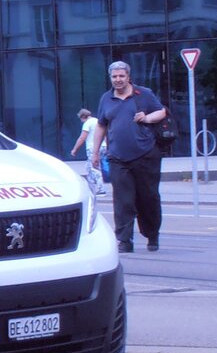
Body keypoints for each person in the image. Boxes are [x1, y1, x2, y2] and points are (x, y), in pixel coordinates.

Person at [91, 61, 166, 253]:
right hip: (117, 157)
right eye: (114, 76)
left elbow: (162, 112)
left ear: (128, 76)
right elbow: (101, 125)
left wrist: (147, 118)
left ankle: (152, 236)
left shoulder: (143, 94)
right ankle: (125, 241)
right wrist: (95, 152)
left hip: (146, 155)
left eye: (121, 76)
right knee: (123, 200)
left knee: (148, 198)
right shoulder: (106, 98)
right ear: (110, 78)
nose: (118, 79)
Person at [70, 108, 107, 195]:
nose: (81, 121)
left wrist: (75, 149)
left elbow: (82, 138)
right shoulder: (97, 121)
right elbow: (105, 133)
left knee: (94, 168)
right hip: (103, 146)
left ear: (83, 117)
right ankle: (91, 187)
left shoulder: (87, 123)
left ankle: (101, 189)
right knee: (89, 167)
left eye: (80, 118)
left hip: (92, 148)